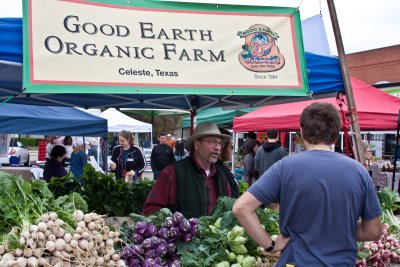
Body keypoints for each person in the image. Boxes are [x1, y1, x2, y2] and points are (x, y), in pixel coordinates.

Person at [233, 102, 382, 266]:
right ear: (335, 134)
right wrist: (338, 228)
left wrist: (270, 245)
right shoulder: (359, 171)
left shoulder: (285, 167)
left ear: (302, 132)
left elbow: (241, 207)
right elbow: (373, 231)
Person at [143, 122, 232, 218]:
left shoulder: (221, 177)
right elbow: (151, 210)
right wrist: (176, 227)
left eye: (219, 143)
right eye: (212, 142)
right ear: (197, 144)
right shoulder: (172, 173)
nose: (218, 147)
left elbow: (227, 212)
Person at [216, 127, 239, 198]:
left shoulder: (221, 167)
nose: (232, 150)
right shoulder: (216, 170)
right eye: (231, 146)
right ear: (222, 147)